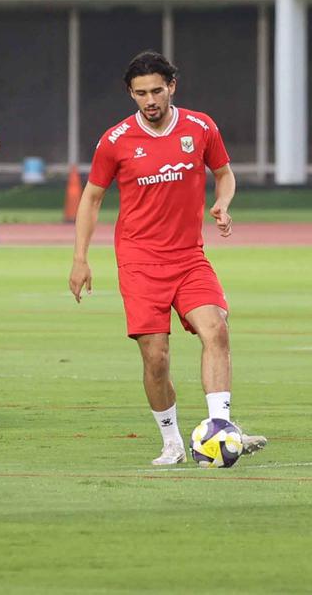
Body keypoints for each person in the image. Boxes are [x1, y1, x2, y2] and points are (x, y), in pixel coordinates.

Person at [69, 50, 267, 466]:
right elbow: (91, 197)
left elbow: (224, 173)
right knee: (155, 357)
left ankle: (219, 427)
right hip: (140, 262)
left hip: (189, 257)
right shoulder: (116, 140)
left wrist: (222, 204)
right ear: (131, 94)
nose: (149, 100)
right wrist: (80, 258)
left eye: (156, 90)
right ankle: (173, 441)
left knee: (216, 329)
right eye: (140, 93)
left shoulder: (200, 127)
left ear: (172, 86)